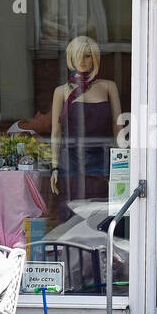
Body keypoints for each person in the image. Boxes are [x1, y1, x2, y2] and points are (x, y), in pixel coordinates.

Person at [50, 35, 123, 211]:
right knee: (73, 212)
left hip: (102, 159)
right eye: (78, 55)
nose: (82, 61)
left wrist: (123, 160)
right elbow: (56, 132)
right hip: (72, 161)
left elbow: (117, 125)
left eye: (87, 55)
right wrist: (54, 166)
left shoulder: (108, 87)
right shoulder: (61, 92)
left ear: (95, 58)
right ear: (71, 57)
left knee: (103, 211)